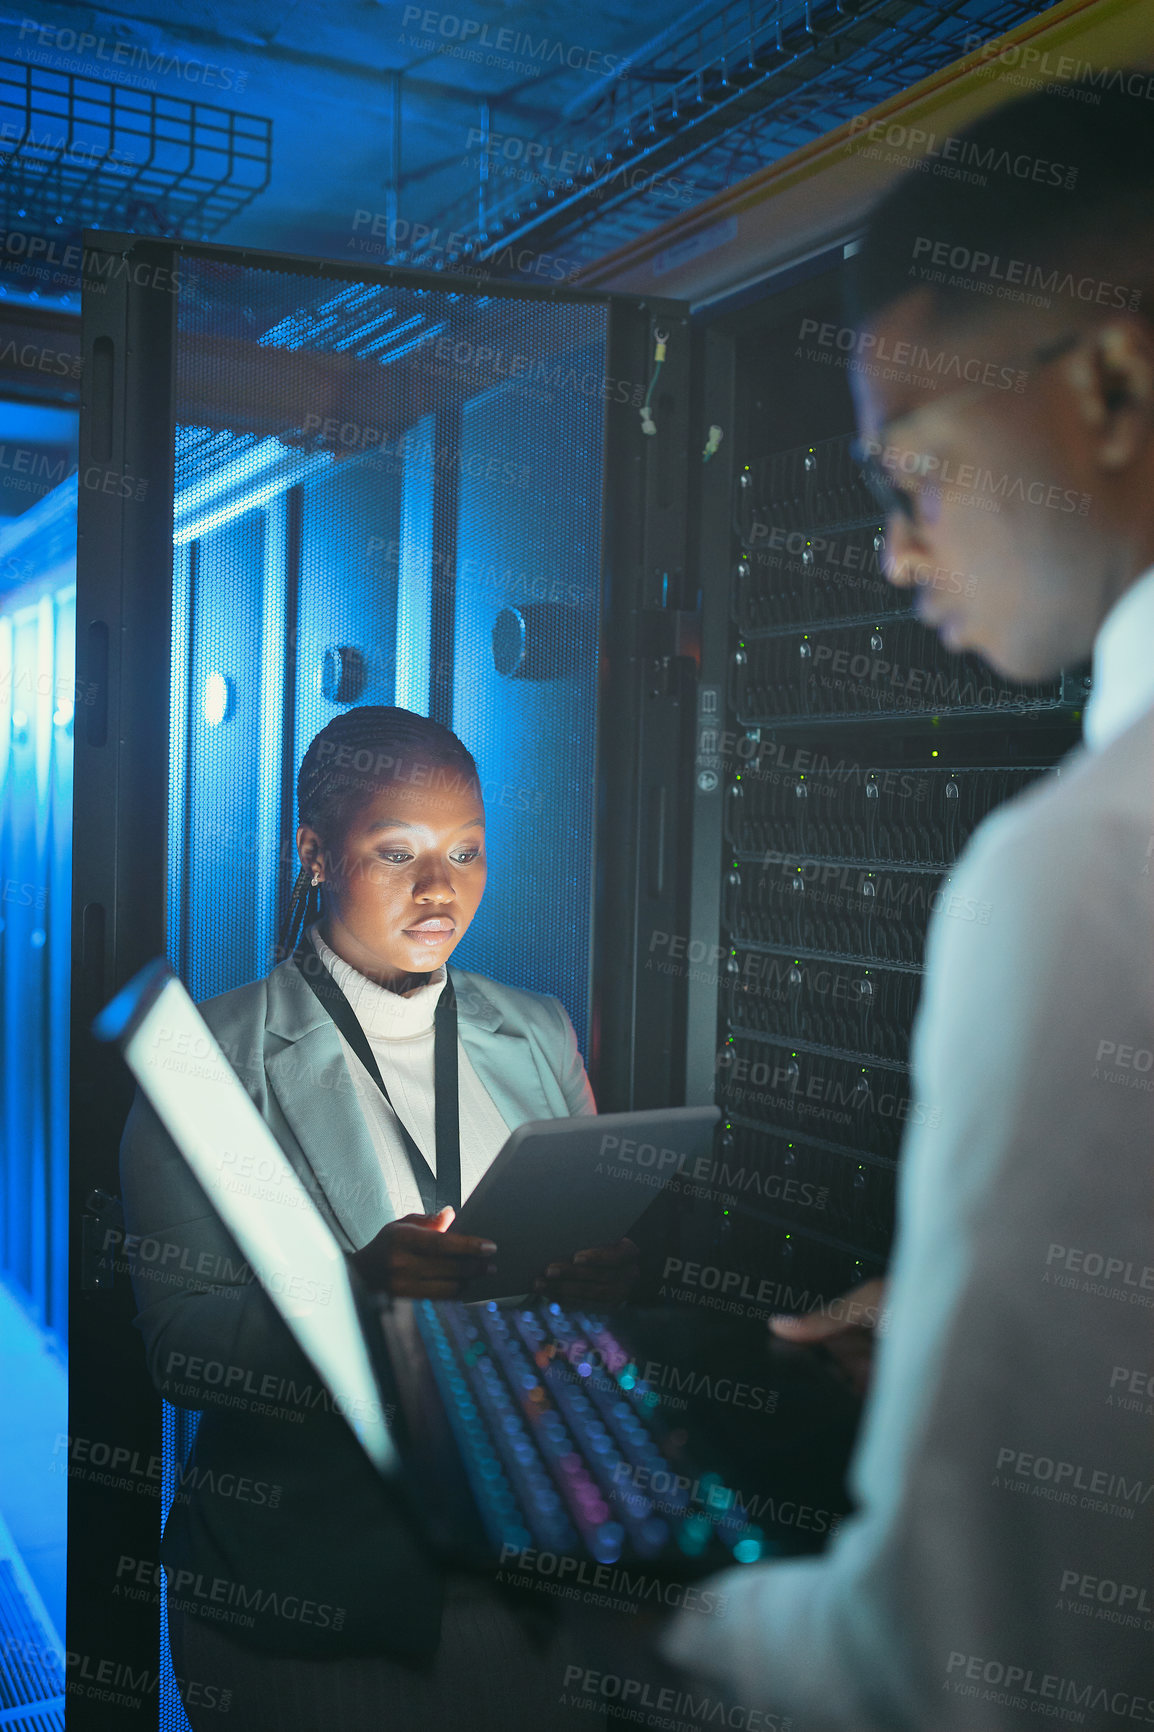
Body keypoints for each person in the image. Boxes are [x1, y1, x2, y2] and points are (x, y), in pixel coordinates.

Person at [658, 78, 1154, 1731]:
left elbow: (955, 1680)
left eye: (912, 474)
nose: (889, 554)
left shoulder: (1080, 868)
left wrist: (658, 1614)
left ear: (1103, 380)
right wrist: (976, 1321)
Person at [119, 705, 633, 1731]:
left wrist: (600, 1278)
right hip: (313, 1600)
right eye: (396, 851)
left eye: (465, 852)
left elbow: (581, 1282)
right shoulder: (205, 1061)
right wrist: (359, 1290)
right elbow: (182, 1350)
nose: (439, 888)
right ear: (312, 854)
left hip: (534, 1572)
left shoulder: (536, 1031)